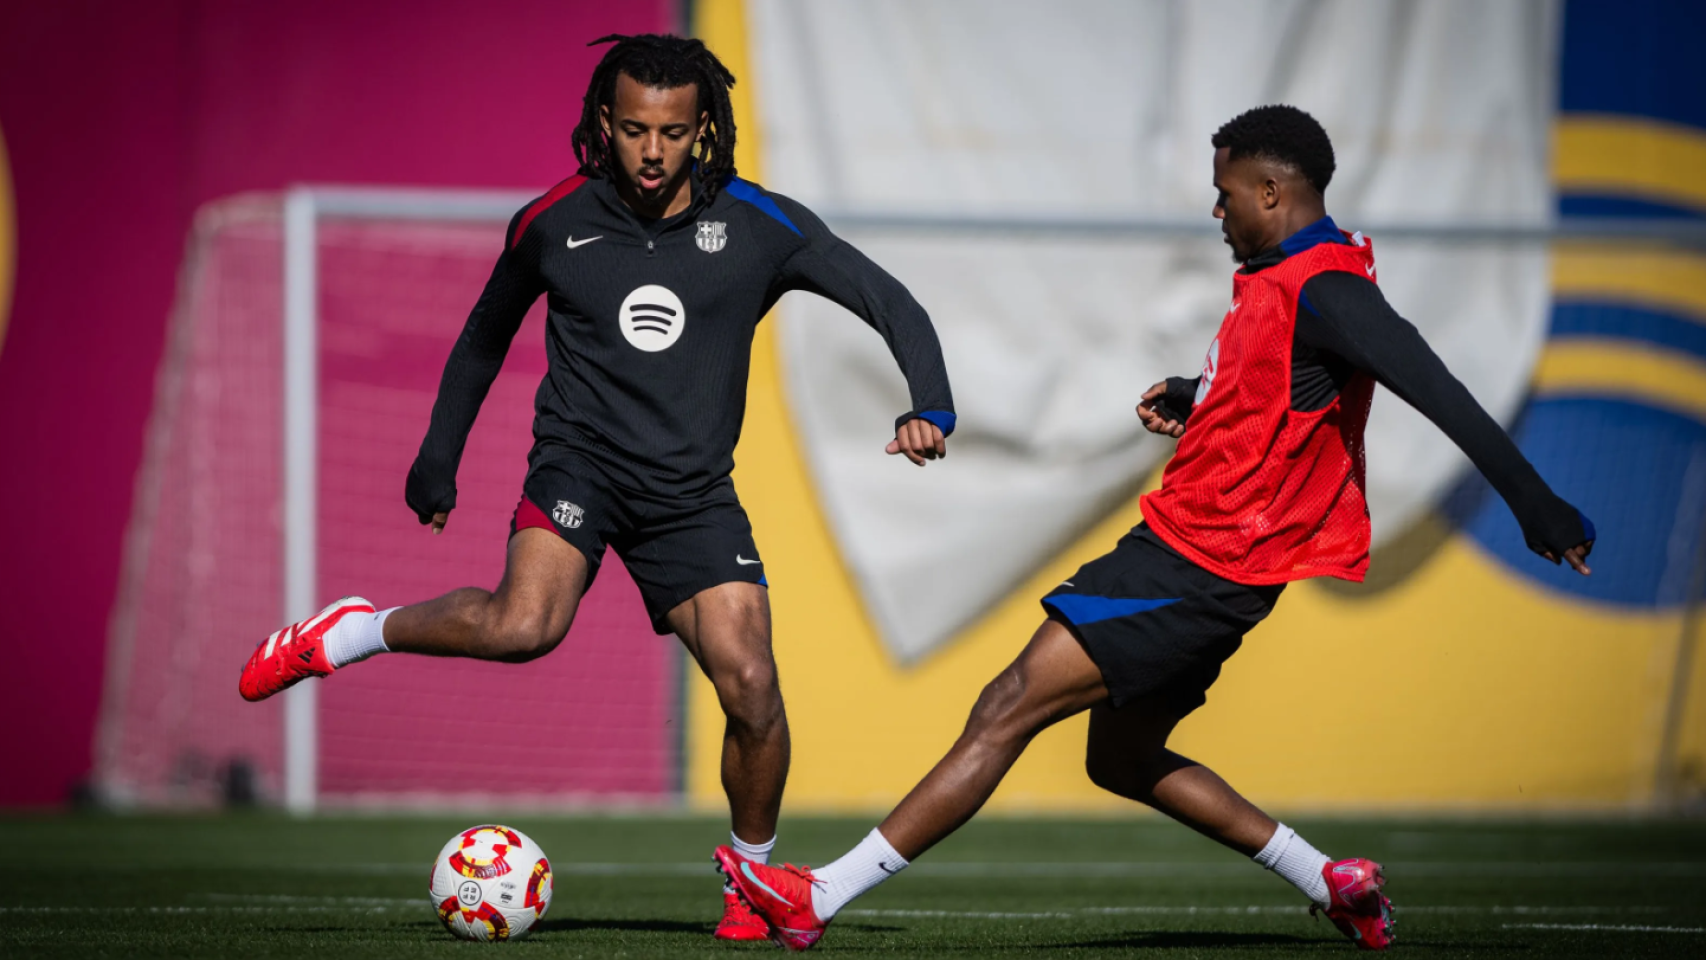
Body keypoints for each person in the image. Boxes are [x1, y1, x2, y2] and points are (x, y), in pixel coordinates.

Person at [716, 104, 1596, 952]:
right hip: (1211, 561)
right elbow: (1287, 385)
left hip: (1198, 560)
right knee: (1123, 759)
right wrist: (1197, 396)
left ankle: (816, 897)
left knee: (1007, 703)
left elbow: (1436, 388)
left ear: (1272, 193)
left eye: (1225, 194)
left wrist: (1535, 503)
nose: (1217, 212)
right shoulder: (1289, 277)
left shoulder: (1329, 286)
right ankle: (1333, 883)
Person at [236, 34, 956, 942]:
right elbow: (484, 338)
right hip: (580, 465)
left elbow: (893, 302)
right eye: (634, 130)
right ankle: (352, 631)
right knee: (523, 628)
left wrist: (931, 406)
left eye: (673, 133)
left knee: (753, 689)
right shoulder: (553, 222)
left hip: (690, 495)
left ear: (703, 129)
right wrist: (437, 457)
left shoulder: (760, 226)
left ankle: (752, 883)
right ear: (603, 124)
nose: (652, 152)